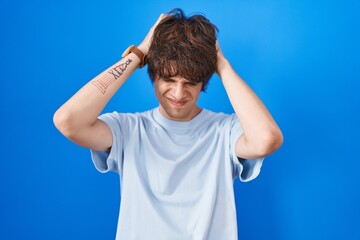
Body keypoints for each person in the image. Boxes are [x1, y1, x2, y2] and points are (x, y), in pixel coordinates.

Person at [53, 8, 283, 240]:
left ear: (203, 82)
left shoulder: (224, 131)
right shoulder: (128, 130)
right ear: (154, 77)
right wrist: (140, 52)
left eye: (190, 82)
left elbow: (267, 140)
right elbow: (68, 121)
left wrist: (220, 64)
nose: (178, 93)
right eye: (168, 79)